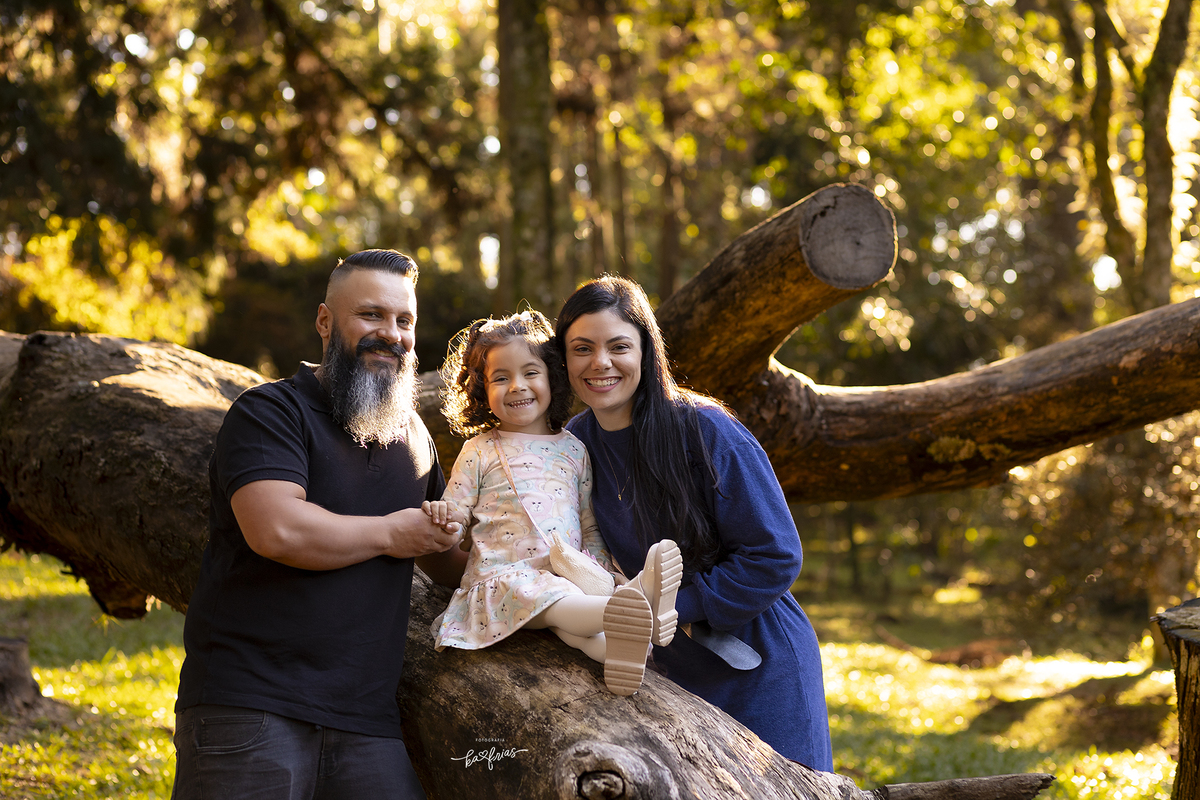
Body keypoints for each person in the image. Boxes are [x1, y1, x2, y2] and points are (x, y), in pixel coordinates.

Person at [172, 249, 467, 800]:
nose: (393, 333)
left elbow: (446, 563)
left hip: (370, 721)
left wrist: (476, 541)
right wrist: (391, 533)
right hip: (250, 707)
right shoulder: (269, 412)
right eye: (372, 315)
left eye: (405, 320)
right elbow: (277, 530)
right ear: (325, 321)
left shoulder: (415, 437)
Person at [555, 275, 834, 770]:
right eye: (582, 348)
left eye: (619, 346)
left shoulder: (706, 430)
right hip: (667, 669)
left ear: (646, 351)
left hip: (759, 660)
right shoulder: (573, 445)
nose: (600, 363)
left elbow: (776, 556)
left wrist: (673, 607)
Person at [422, 310, 683, 696]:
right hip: (505, 579)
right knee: (554, 602)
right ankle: (632, 606)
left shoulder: (574, 449)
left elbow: (588, 522)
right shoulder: (479, 450)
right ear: (481, 390)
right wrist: (446, 518)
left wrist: (600, 571)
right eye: (500, 377)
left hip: (562, 573)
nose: (517, 386)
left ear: (552, 378)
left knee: (578, 631)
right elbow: (457, 510)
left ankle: (620, 653)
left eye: (530, 373)